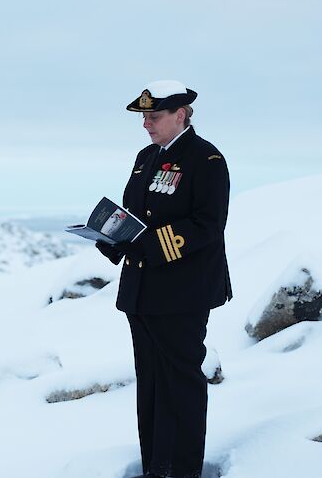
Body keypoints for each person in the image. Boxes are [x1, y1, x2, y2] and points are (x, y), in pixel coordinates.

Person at [95, 80, 232, 478]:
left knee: (181, 384)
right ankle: (157, 465)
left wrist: (150, 246)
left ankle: (183, 470)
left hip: (182, 292)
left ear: (181, 115)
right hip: (142, 292)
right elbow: (135, 213)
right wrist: (113, 239)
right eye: (144, 117)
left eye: (153, 117)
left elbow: (208, 224)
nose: (146, 125)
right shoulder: (145, 157)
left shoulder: (206, 160)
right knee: (151, 384)